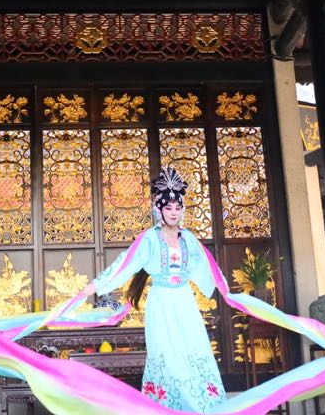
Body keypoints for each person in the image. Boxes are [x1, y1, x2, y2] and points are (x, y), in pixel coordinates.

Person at [81, 167, 225, 412]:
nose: (173, 212)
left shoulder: (189, 238)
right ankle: (166, 407)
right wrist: (97, 284)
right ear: (159, 209)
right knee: (166, 353)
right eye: (168, 208)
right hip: (161, 302)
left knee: (192, 348)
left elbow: (207, 265)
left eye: (177, 208)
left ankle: (202, 406)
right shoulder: (149, 238)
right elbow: (126, 263)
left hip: (184, 301)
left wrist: (224, 288)